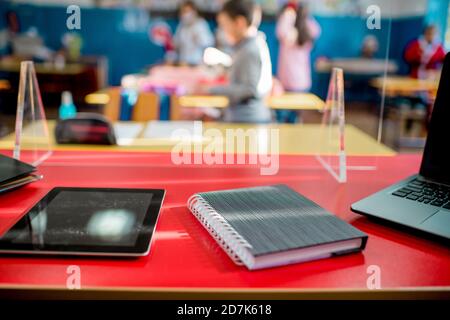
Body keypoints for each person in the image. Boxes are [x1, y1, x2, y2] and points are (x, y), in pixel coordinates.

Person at [206, 0, 273, 123]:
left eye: (224, 25)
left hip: (248, 120)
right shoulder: (246, 46)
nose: (223, 30)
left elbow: (250, 89)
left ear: (239, 22)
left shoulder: (250, 49)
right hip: (242, 117)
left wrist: (210, 89)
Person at [275, 1, 320, 123]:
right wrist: (303, 15)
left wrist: (289, 15)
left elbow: (281, 32)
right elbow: (316, 30)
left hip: (288, 80)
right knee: (296, 117)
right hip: (302, 81)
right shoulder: (307, 30)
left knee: (283, 116)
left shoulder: (290, 28)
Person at [172, 1, 214, 66]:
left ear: (194, 12)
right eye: (183, 11)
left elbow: (209, 42)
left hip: (196, 63)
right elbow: (175, 43)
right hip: (183, 62)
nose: (186, 14)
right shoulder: (182, 25)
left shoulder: (201, 24)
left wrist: (197, 36)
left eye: (188, 11)